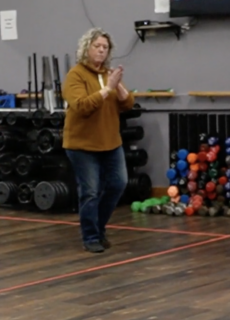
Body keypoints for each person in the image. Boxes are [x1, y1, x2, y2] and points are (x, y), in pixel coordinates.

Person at [62, 28, 135, 253]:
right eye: (97, 46)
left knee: (118, 184)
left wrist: (119, 87)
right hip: (82, 145)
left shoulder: (107, 75)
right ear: (87, 49)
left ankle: (99, 227)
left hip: (110, 142)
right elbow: (82, 105)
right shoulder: (76, 75)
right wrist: (107, 89)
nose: (102, 51)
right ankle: (91, 236)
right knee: (90, 191)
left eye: (105, 48)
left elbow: (128, 104)